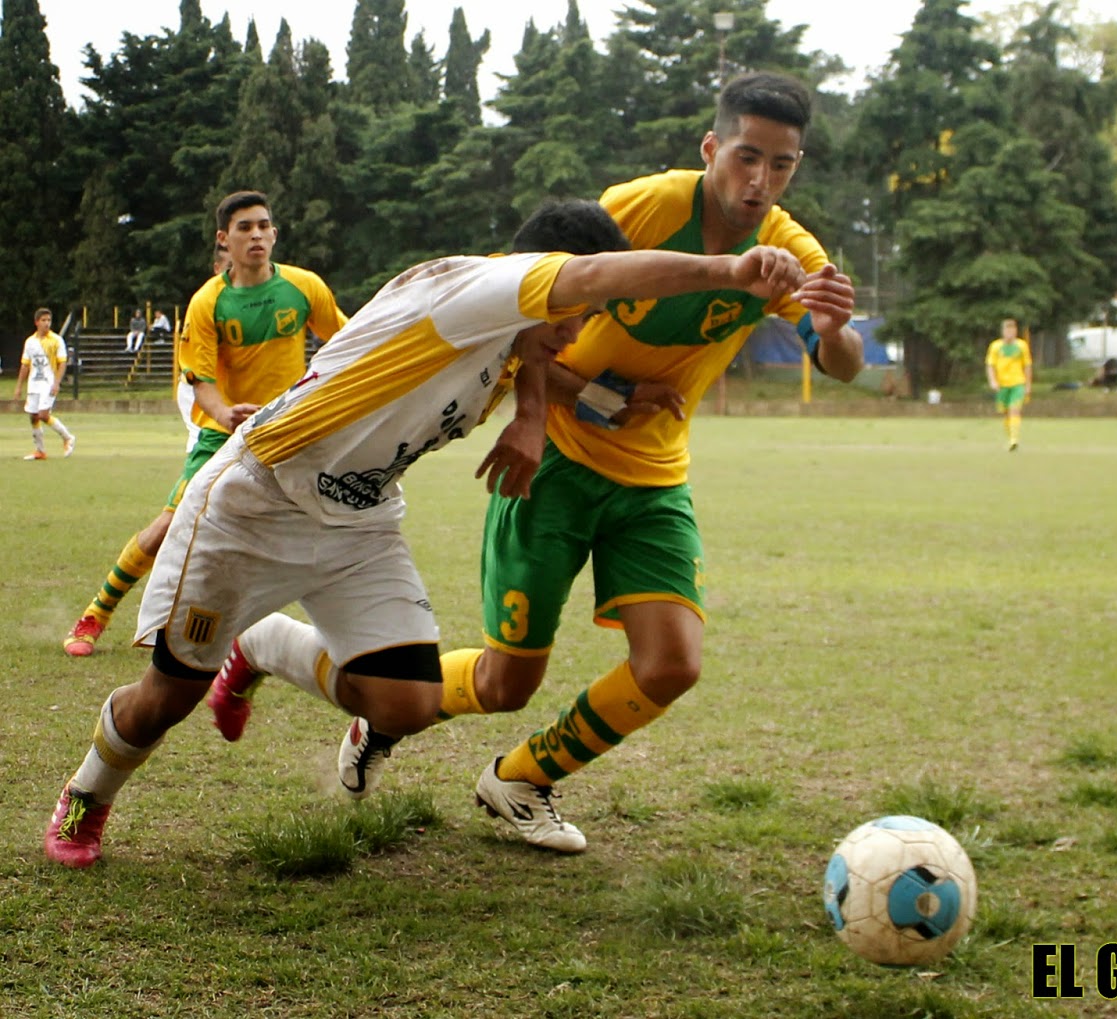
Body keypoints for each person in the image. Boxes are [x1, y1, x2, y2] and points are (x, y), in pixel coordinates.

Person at [44, 198, 809, 868]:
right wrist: (731, 271)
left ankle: (264, 645)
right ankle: (86, 795)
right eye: (576, 312)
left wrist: (546, 415)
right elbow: (581, 284)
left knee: (405, 704)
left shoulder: (511, 332)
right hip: (260, 497)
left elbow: (538, 362)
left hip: (361, 520)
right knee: (166, 699)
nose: (577, 333)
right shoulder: (472, 288)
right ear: (543, 276)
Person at [209, 71, 863, 854]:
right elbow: (512, 299)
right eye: (747, 157)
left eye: (781, 165)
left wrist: (833, 330)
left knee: (672, 664)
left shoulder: (790, 249)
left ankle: (520, 778)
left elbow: (842, 363)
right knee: (503, 681)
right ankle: (324, 681)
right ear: (711, 147)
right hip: (553, 462)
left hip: (653, 479)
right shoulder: (642, 208)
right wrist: (586, 402)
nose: (760, 181)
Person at [61, 191, 346, 658]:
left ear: (275, 233)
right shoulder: (207, 302)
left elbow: (347, 343)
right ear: (224, 239)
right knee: (170, 525)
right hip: (223, 433)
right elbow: (202, 382)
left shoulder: (304, 286)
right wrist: (226, 414)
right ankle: (97, 611)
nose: (256, 234)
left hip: (289, 432)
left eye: (263, 225)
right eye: (244, 227)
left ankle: (330, 642)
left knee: (330, 526)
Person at [13, 307, 75, 460]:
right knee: (33, 416)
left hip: (48, 383)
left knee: (43, 414)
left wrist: (57, 383)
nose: (47, 323)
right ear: (37, 322)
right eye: (43, 320)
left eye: (49, 320)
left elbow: (62, 363)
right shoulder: (30, 342)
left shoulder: (56, 340)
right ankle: (40, 451)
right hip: (34, 383)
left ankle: (68, 437)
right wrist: (19, 386)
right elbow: (25, 365)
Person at [985, 318, 1033, 451]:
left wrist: (1028, 385)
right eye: (1007, 330)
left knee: (1014, 410)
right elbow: (990, 365)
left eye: (1012, 330)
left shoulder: (1022, 346)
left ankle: (1014, 439)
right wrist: (993, 381)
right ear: (1003, 331)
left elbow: (1027, 366)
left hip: (1018, 383)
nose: (1010, 333)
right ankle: (1011, 437)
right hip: (1002, 385)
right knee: (1006, 413)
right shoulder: (995, 346)